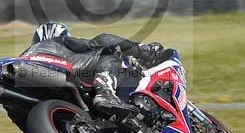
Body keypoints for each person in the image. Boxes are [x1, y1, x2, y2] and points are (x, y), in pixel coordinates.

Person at [23, 22, 168, 116]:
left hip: (29, 81)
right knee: (108, 52)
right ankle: (105, 93)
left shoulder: (27, 54)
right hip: (67, 70)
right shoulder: (60, 42)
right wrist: (141, 50)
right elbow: (100, 41)